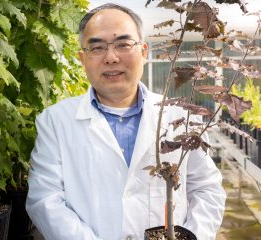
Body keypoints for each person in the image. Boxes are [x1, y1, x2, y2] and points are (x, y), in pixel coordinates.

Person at [26, 3, 226, 240]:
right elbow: (45, 199)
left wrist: (193, 236)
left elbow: (207, 189)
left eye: (123, 44)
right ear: (82, 58)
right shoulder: (55, 121)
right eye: (97, 47)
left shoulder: (181, 118)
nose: (111, 58)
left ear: (143, 51)